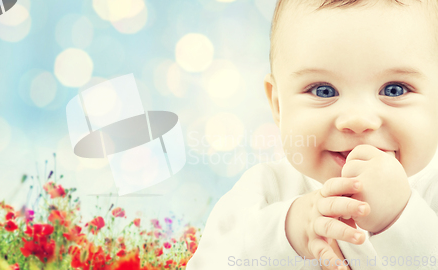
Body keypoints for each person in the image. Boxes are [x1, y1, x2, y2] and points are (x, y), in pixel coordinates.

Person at [186, 0, 438, 269]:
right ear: (279, 105)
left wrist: (401, 217)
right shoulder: (266, 190)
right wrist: (286, 232)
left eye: (394, 90)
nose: (357, 120)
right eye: (323, 91)